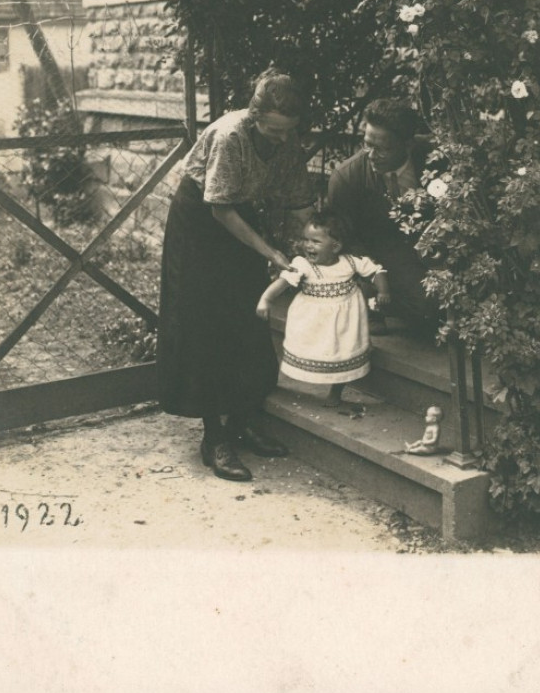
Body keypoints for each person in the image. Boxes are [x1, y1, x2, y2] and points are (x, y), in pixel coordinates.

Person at [156, 70, 314, 482]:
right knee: (205, 326)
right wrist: (271, 252)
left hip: (241, 220)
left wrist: (321, 244)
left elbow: (300, 203)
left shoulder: (286, 137)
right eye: (275, 131)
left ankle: (243, 422)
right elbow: (220, 210)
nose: (283, 139)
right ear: (254, 115)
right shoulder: (230, 136)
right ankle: (215, 439)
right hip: (200, 224)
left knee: (248, 320)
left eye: (288, 131)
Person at [256, 209, 390, 410]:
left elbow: (376, 270)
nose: (307, 245)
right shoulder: (303, 265)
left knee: (343, 354)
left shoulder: (351, 262)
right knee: (317, 351)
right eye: (305, 240)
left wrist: (383, 290)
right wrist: (266, 299)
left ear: (335, 246)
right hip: (315, 320)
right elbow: (283, 282)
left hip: (346, 321)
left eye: (315, 241)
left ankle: (336, 391)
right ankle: (306, 377)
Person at [327, 98, 441, 335]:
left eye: (382, 148)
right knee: (428, 304)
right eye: (367, 144)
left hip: (432, 246)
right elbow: (346, 239)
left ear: (408, 145)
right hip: (378, 253)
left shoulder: (435, 159)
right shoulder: (346, 178)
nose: (371, 155)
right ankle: (376, 305)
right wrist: (378, 283)